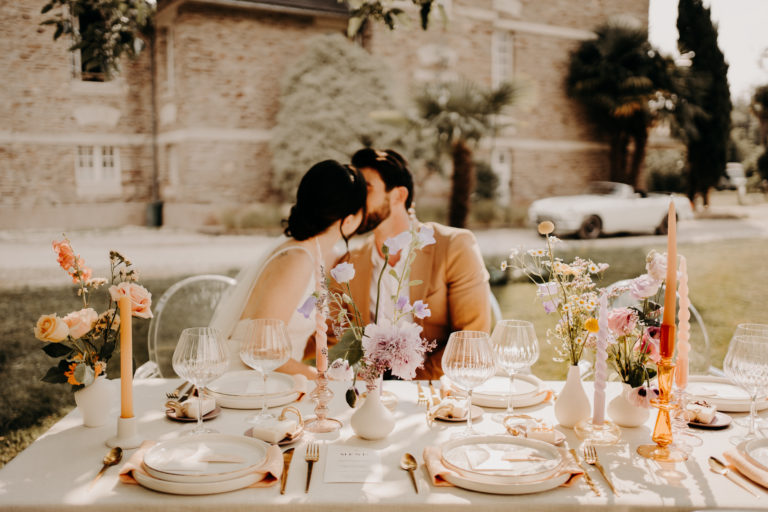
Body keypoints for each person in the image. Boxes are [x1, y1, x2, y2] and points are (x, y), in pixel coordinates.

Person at [312, 148, 491, 379]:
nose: (354, 200)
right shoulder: (348, 264)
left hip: (437, 390)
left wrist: (410, 385)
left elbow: (472, 339)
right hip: (369, 394)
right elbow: (336, 341)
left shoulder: (455, 246)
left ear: (398, 196)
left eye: (365, 189)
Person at [210, 160, 366, 379]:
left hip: (277, 382)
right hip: (245, 382)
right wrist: (325, 379)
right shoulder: (296, 259)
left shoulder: (315, 253)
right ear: (349, 221)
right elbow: (262, 350)